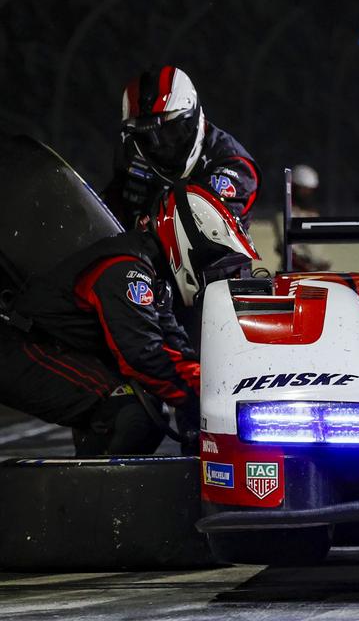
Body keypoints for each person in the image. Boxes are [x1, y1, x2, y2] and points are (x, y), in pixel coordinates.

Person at [0, 184, 257, 455]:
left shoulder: (150, 272)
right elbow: (142, 355)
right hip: (21, 347)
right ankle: (91, 495)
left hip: (45, 346)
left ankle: (89, 487)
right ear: (188, 240)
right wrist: (204, 400)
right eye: (210, 256)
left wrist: (216, 388)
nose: (210, 269)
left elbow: (173, 346)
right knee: (130, 415)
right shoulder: (127, 268)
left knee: (142, 410)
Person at [104, 66, 260, 229]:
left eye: (171, 131)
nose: (159, 146)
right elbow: (107, 212)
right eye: (146, 136)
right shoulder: (130, 147)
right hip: (132, 251)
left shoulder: (233, 163)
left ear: (192, 118)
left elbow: (208, 232)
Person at [277, 164, 330, 272]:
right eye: (304, 189)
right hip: (296, 273)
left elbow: (318, 252)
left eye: (310, 190)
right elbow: (286, 251)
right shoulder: (284, 216)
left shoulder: (314, 215)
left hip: (318, 272)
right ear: (293, 188)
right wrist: (308, 268)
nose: (307, 194)